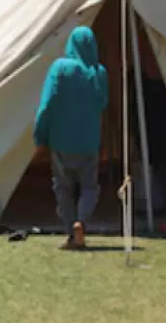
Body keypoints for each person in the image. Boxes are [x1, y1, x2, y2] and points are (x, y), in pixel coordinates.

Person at [33, 25, 109, 250]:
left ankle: (70, 232)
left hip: (62, 141)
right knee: (89, 187)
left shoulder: (60, 68)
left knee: (63, 187)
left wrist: (40, 135)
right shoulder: (99, 71)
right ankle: (81, 222)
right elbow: (103, 103)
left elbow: (47, 105)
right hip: (89, 141)